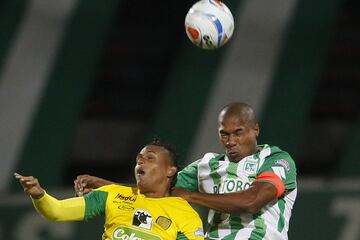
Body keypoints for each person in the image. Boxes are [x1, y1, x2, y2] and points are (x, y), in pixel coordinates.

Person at [75, 102, 297, 240]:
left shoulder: (276, 159)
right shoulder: (207, 165)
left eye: (238, 133)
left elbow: (253, 200)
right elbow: (156, 190)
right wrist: (103, 184)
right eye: (224, 134)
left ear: (255, 129)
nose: (230, 141)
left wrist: (192, 196)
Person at [15, 141, 205, 240]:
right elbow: (56, 212)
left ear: (170, 170)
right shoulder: (112, 194)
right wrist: (39, 195)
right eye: (139, 158)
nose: (140, 161)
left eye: (150, 158)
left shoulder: (185, 214)